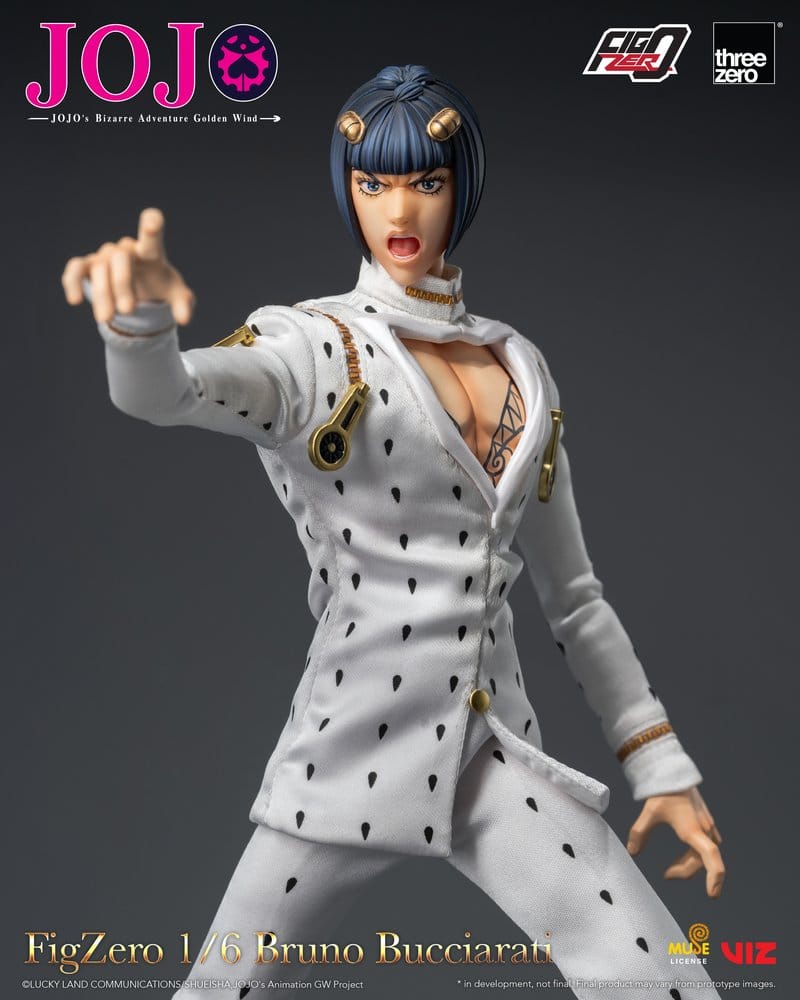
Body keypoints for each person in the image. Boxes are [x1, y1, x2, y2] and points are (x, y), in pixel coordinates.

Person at [63, 65, 725, 1000]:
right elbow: (171, 395)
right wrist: (138, 327)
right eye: (372, 182)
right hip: (350, 740)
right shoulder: (314, 347)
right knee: (222, 990)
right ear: (348, 191)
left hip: (491, 750)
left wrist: (660, 764)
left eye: (426, 180)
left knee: (660, 979)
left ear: (463, 187)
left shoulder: (521, 366)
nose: (400, 209)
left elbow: (575, 598)